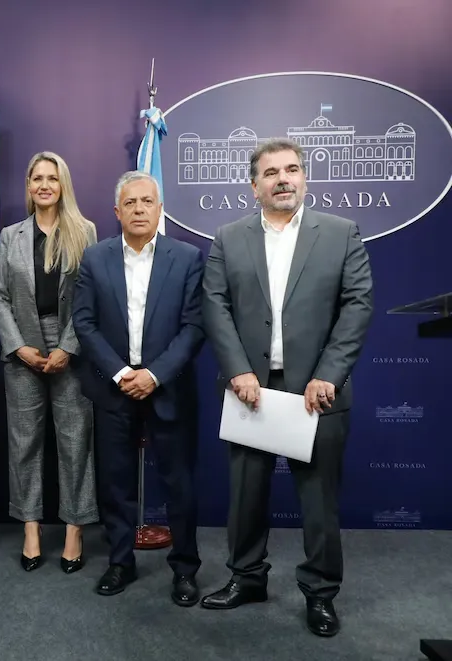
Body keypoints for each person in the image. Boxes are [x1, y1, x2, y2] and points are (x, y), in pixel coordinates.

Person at [200, 139, 373, 637]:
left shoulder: (340, 233)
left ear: (304, 178)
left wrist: (329, 374)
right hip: (249, 389)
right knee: (245, 496)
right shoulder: (228, 237)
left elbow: (358, 305)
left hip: (316, 391)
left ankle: (320, 593)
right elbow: (214, 305)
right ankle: (246, 578)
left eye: (292, 169)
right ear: (254, 185)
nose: (283, 179)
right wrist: (238, 370)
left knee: (319, 502)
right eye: (271, 172)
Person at [72, 171, 205, 605]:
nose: (139, 209)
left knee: (179, 484)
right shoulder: (95, 258)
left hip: (169, 388)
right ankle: (120, 562)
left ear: (159, 208)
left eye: (147, 201)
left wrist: (154, 375)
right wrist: (119, 373)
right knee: (116, 483)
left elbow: (194, 326)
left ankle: (184, 569)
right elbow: (84, 323)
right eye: (130, 203)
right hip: (114, 390)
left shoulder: (187, 257)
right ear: (117, 211)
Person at [0, 151, 98, 573]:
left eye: (52, 178)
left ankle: (75, 529)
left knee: (75, 442)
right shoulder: (10, 235)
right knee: (24, 443)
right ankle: (31, 528)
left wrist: (68, 347)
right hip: (23, 346)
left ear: (62, 185)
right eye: (37, 178)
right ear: (28, 185)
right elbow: (0, 295)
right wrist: (18, 346)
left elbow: (91, 296)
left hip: (70, 344)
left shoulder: (84, 232)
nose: (44, 185)